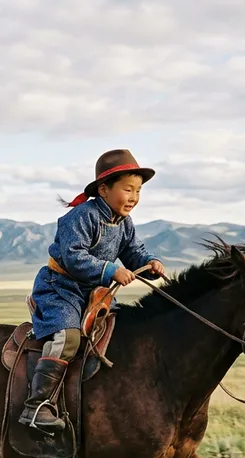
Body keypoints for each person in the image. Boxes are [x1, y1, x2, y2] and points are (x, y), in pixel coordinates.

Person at [19, 149, 166, 431]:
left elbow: (133, 251)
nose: (134, 197)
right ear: (104, 189)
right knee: (69, 338)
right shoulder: (81, 216)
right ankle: (36, 407)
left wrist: (149, 263)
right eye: (127, 189)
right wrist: (111, 270)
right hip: (60, 289)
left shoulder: (123, 223)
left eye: (138, 191)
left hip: (94, 294)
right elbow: (73, 256)